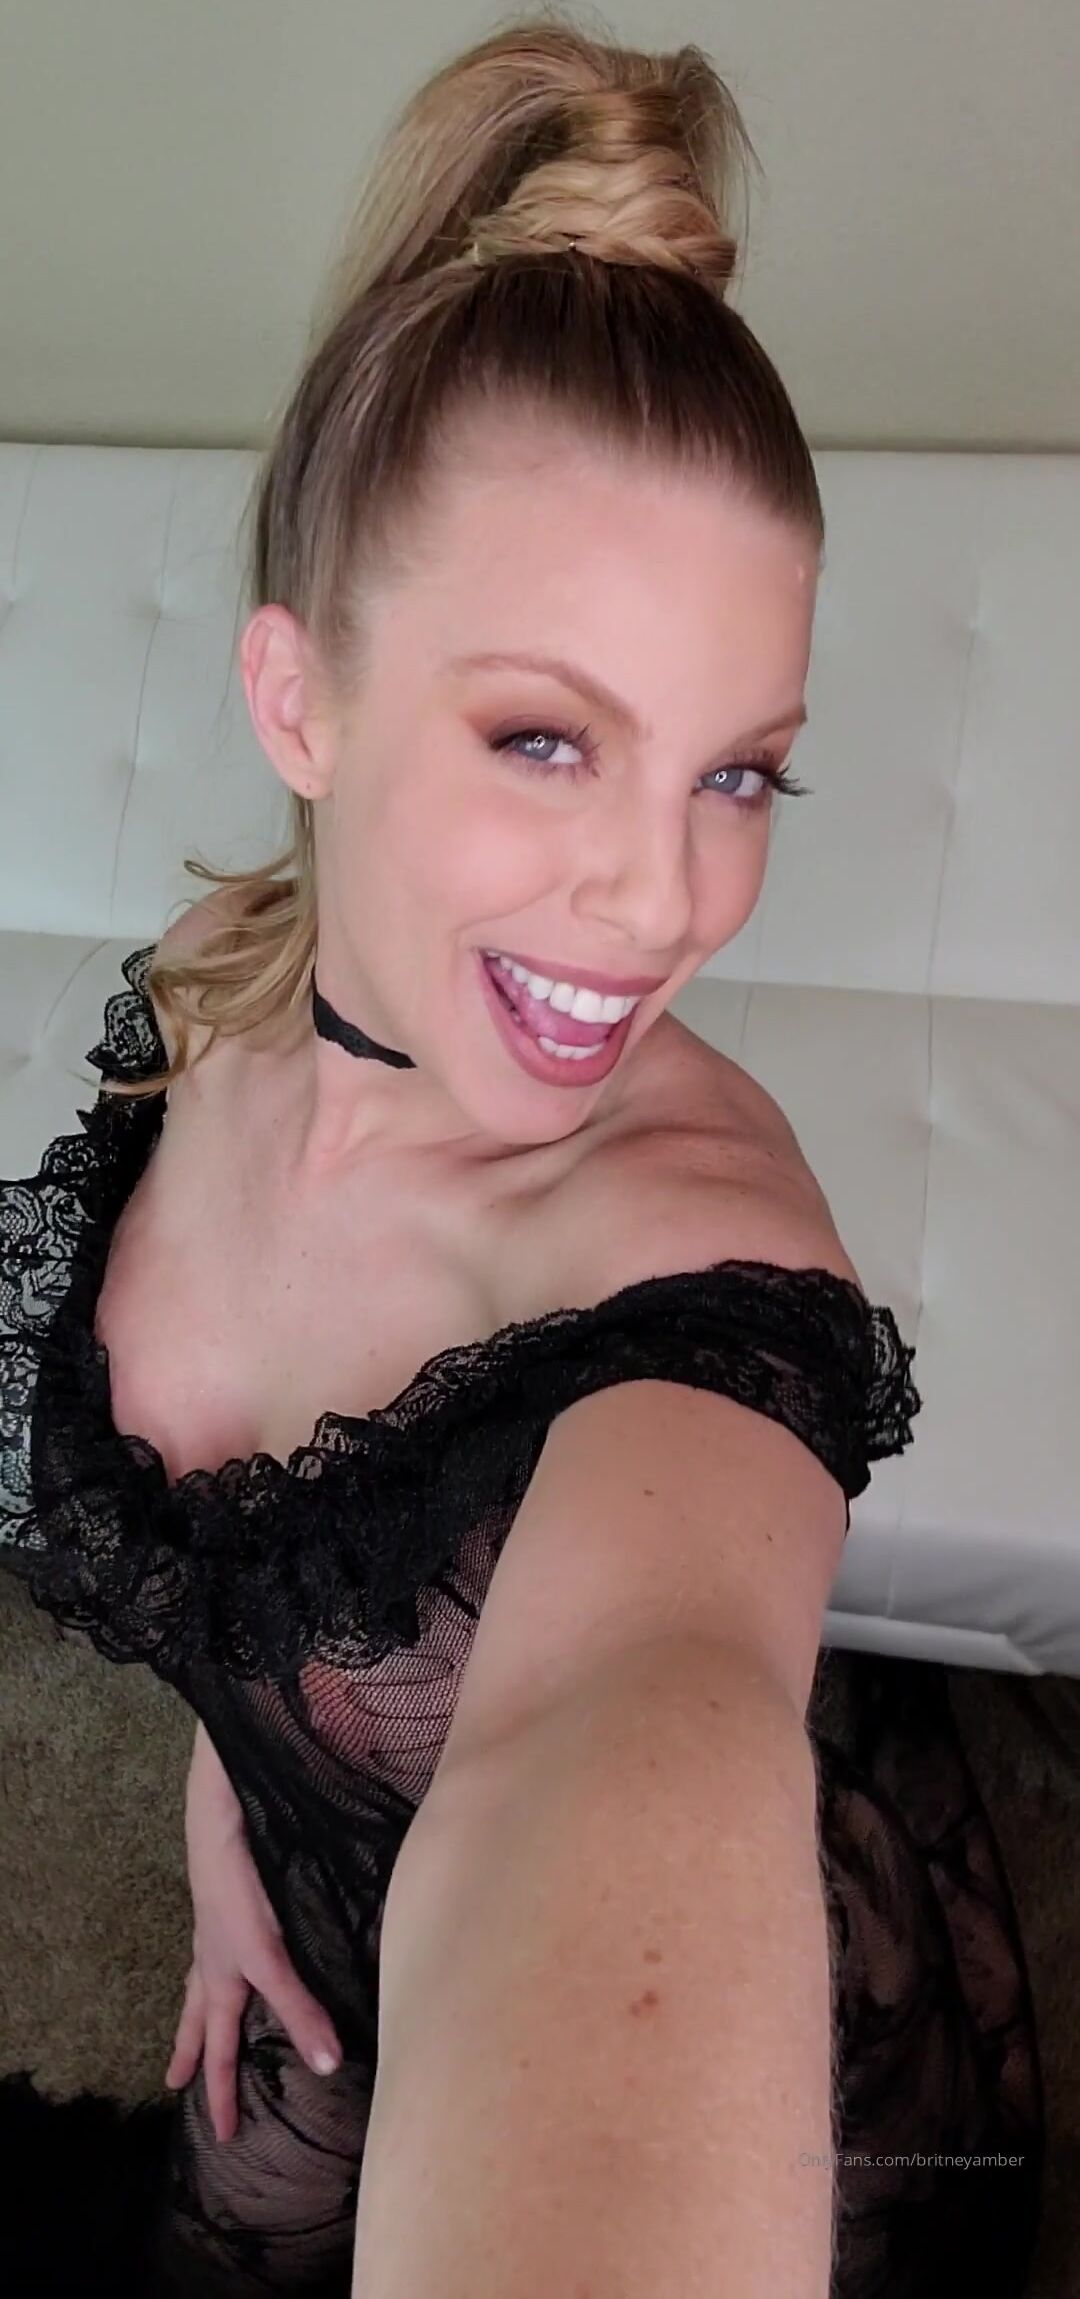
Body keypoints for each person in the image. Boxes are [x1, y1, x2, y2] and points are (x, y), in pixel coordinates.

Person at [0, 14, 1042, 2297]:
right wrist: (233, 1789)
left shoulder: (705, 1294)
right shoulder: (209, 1001)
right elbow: (242, 1530)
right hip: (315, 1916)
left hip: (816, 2069)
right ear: (301, 699)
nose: (665, 902)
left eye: (738, 773)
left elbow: (637, 1710)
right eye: (549, 738)